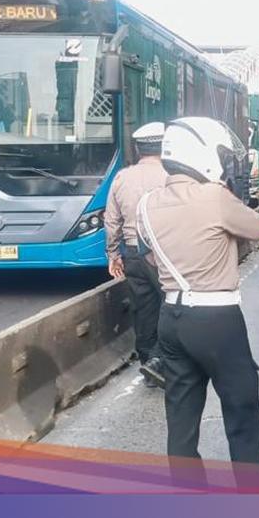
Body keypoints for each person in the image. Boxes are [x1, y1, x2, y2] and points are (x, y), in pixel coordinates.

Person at [136, 117, 259, 485]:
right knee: (241, 409)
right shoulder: (213, 197)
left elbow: (150, 258)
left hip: (171, 316)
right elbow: (257, 227)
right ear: (202, 154)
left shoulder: (147, 204)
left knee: (181, 416)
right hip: (216, 318)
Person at [104, 122, 169, 388]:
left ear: (138, 149)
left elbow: (111, 221)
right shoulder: (171, 176)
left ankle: (147, 362)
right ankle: (159, 360)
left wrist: (113, 254)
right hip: (165, 254)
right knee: (172, 306)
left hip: (132, 253)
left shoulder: (122, 178)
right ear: (164, 147)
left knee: (143, 310)